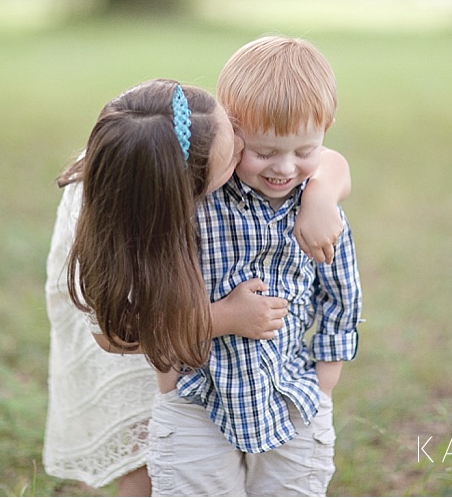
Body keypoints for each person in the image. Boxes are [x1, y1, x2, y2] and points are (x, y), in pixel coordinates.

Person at [43, 78, 351, 495]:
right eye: (232, 161)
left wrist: (321, 194)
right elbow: (115, 334)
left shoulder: (192, 128)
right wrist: (223, 316)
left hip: (184, 313)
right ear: (188, 194)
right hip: (126, 308)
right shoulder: (114, 225)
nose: (244, 153)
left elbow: (321, 157)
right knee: (146, 447)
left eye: (236, 136)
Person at [147, 37, 362, 496]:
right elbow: (156, 283)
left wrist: (324, 386)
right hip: (197, 396)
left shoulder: (318, 209)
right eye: (264, 152)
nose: (283, 168)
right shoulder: (200, 198)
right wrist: (168, 380)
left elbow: (341, 297)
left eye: (305, 151)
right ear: (230, 131)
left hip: (292, 397)